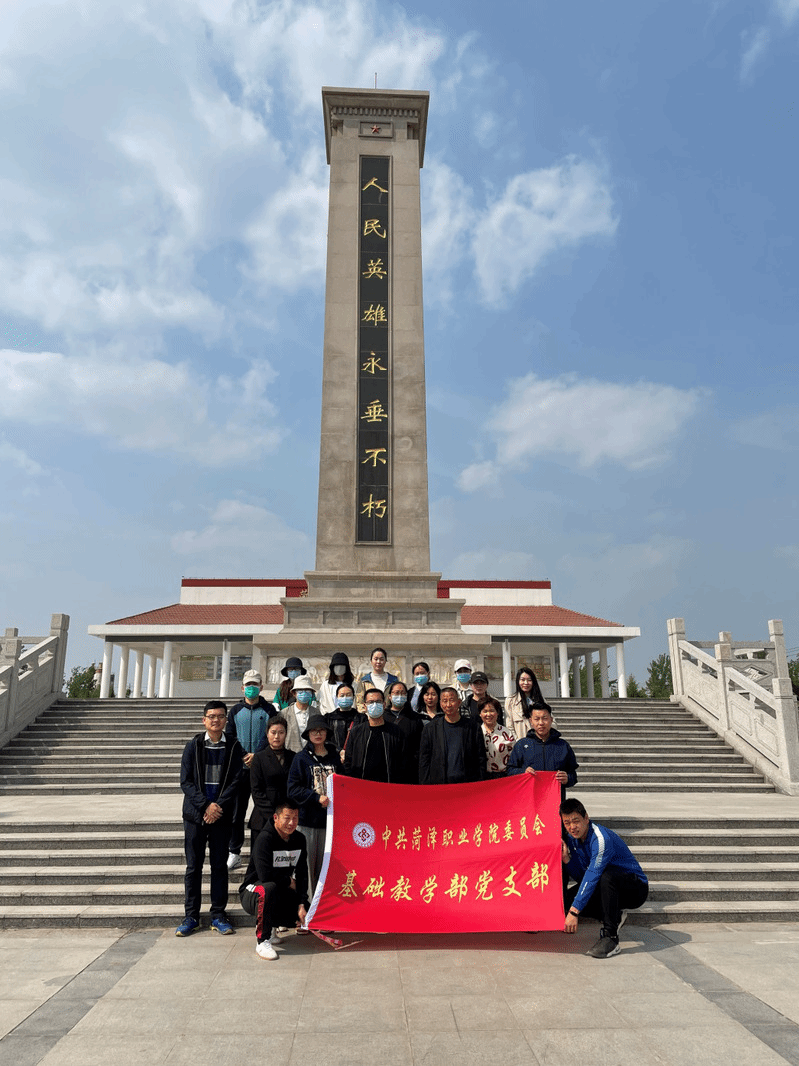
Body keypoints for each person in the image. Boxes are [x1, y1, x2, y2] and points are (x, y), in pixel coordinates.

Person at [177, 700, 244, 937]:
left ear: (226, 719)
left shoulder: (234, 746)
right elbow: (186, 781)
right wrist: (206, 805)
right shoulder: (193, 746)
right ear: (204, 720)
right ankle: (191, 916)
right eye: (211, 716)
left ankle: (218, 915)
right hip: (195, 816)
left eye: (220, 716)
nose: (216, 720)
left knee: (219, 867)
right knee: (193, 867)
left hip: (221, 817)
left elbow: (236, 781)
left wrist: (217, 807)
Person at [561, 798, 649, 959]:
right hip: (607, 885)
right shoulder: (573, 840)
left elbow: (593, 875)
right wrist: (567, 859)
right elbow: (582, 877)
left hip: (635, 889)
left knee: (606, 877)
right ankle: (614, 916)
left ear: (586, 818)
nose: (572, 827)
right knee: (566, 900)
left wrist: (574, 912)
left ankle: (611, 938)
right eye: (567, 823)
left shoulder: (601, 838)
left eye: (576, 821)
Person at [238, 801, 309, 960]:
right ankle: (262, 941)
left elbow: (302, 873)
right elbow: (265, 875)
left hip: (279, 887)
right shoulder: (264, 838)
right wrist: (288, 881)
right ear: (276, 818)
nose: (291, 823)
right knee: (268, 889)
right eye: (287, 818)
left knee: (306, 911)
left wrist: (301, 903)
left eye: (295, 818)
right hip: (253, 890)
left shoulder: (299, 839)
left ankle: (271, 928)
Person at [225, 669, 275, 871]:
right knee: (237, 813)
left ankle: (264, 849)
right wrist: (244, 755)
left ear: (261, 687)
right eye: (248, 685)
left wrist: (258, 755)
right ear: (242, 687)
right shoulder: (235, 711)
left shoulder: (270, 710)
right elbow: (230, 736)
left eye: (255, 684)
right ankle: (234, 851)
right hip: (240, 769)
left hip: (262, 768)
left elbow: (272, 734)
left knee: (265, 810)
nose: (251, 688)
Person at [287, 714, 338, 898]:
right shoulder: (301, 759)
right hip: (307, 822)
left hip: (330, 823)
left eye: (321, 730)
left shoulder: (334, 757)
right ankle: (307, 905)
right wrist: (315, 798)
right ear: (308, 734)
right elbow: (292, 789)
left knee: (328, 867)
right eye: (314, 731)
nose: (317, 734)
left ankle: (324, 905)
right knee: (307, 867)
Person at [507, 705, 578, 801]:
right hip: (528, 800)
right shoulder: (522, 745)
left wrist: (567, 778)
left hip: (554, 801)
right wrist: (523, 772)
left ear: (551, 720)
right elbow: (510, 771)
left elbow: (573, 774)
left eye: (545, 718)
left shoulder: (562, 746)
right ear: (531, 721)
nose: (541, 723)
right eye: (537, 719)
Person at [418, 686, 486, 784]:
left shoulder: (473, 727)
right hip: (439, 783)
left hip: (467, 783)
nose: (448, 705)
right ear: (440, 704)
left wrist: (480, 782)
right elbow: (424, 760)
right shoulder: (430, 729)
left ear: (459, 702)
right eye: (445, 701)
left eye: (452, 700)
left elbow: (481, 758)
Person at [248, 715, 296, 853]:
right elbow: (256, 790)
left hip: (287, 817)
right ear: (267, 734)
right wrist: (274, 817)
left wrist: (285, 815)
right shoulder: (259, 758)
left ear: (286, 734)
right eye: (273, 732)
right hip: (263, 817)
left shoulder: (293, 757)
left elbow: (295, 786)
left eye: (281, 732)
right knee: (261, 858)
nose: (277, 736)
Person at [343, 688, 409, 782]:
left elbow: (403, 761)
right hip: (361, 785)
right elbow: (348, 760)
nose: (374, 705)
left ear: (384, 705)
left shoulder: (396, 732)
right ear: (365, 706)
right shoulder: (356, 732)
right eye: (371, 702)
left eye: (378, 702)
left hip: (389, 785)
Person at [385, 680, 423, 781]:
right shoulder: (383, 717)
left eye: (403, 693)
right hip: (386, 768)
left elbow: (419, 744)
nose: (400, 696)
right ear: (390, 696)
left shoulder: (415, 718)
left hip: (409, 769)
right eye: (396, 693)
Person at [505, 666, 550, 741]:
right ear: (518, 681)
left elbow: (552, 722)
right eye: (522, 680)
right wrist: (519, 743)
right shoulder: (510, 701)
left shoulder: (541, 700)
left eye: (529, 680)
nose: (526, 683)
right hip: (521, 743)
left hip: (539, 743)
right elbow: (509, 727)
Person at [478, 696, 516, 777]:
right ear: (480, 714)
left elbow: (514, 757)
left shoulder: (506, 733)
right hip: (482, 777)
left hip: (503, 776)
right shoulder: (476, 732)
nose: (488, 714)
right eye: (485, 711)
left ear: (497, 713)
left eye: (492, 711)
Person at [285, 675, 319, 753]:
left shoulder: (316, 713)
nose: (304, 693)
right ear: (294, 693)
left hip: (312, 754)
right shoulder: (285, 713)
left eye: (307, 691)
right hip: (290, 755)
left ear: (311, 694)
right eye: (300, 691)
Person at [327, 682, 358, 756]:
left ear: (353, 697)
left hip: (356, 757)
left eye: (348, 695)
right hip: (334, 757)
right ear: (337, 697)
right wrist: (339, 751)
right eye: (342, 695)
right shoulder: (329, 718)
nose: (345, 698)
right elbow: (326, 739)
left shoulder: (360, 718)